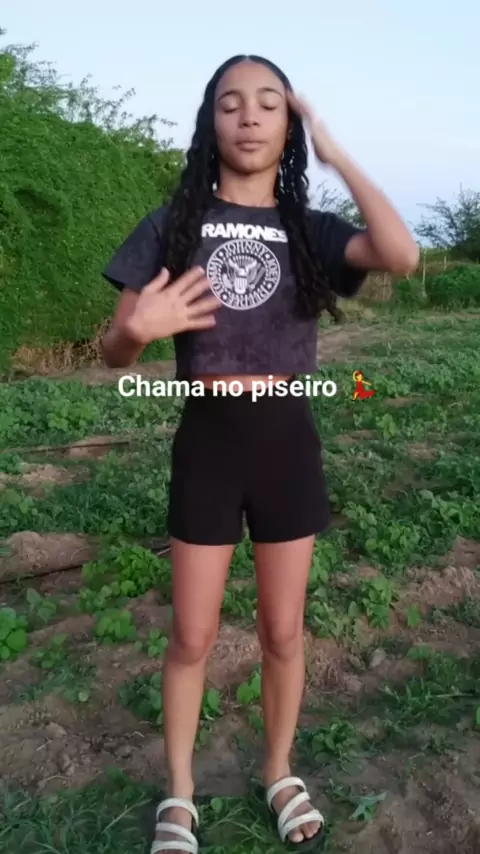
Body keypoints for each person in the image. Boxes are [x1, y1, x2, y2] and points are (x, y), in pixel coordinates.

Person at [101, 54, 419, 854]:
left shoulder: (307, 227)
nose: (249, 116)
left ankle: (279, 770)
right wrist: (136, 332)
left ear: (288, 126)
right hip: (208, 441)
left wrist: (336, 153)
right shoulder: (175, 222)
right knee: (192, 636)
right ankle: (180, 792)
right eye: (231, 103)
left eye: (269, 103)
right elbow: (113, 350)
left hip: (285, 441)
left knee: (283, 631)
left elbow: (402, 254)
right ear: (210, 122)